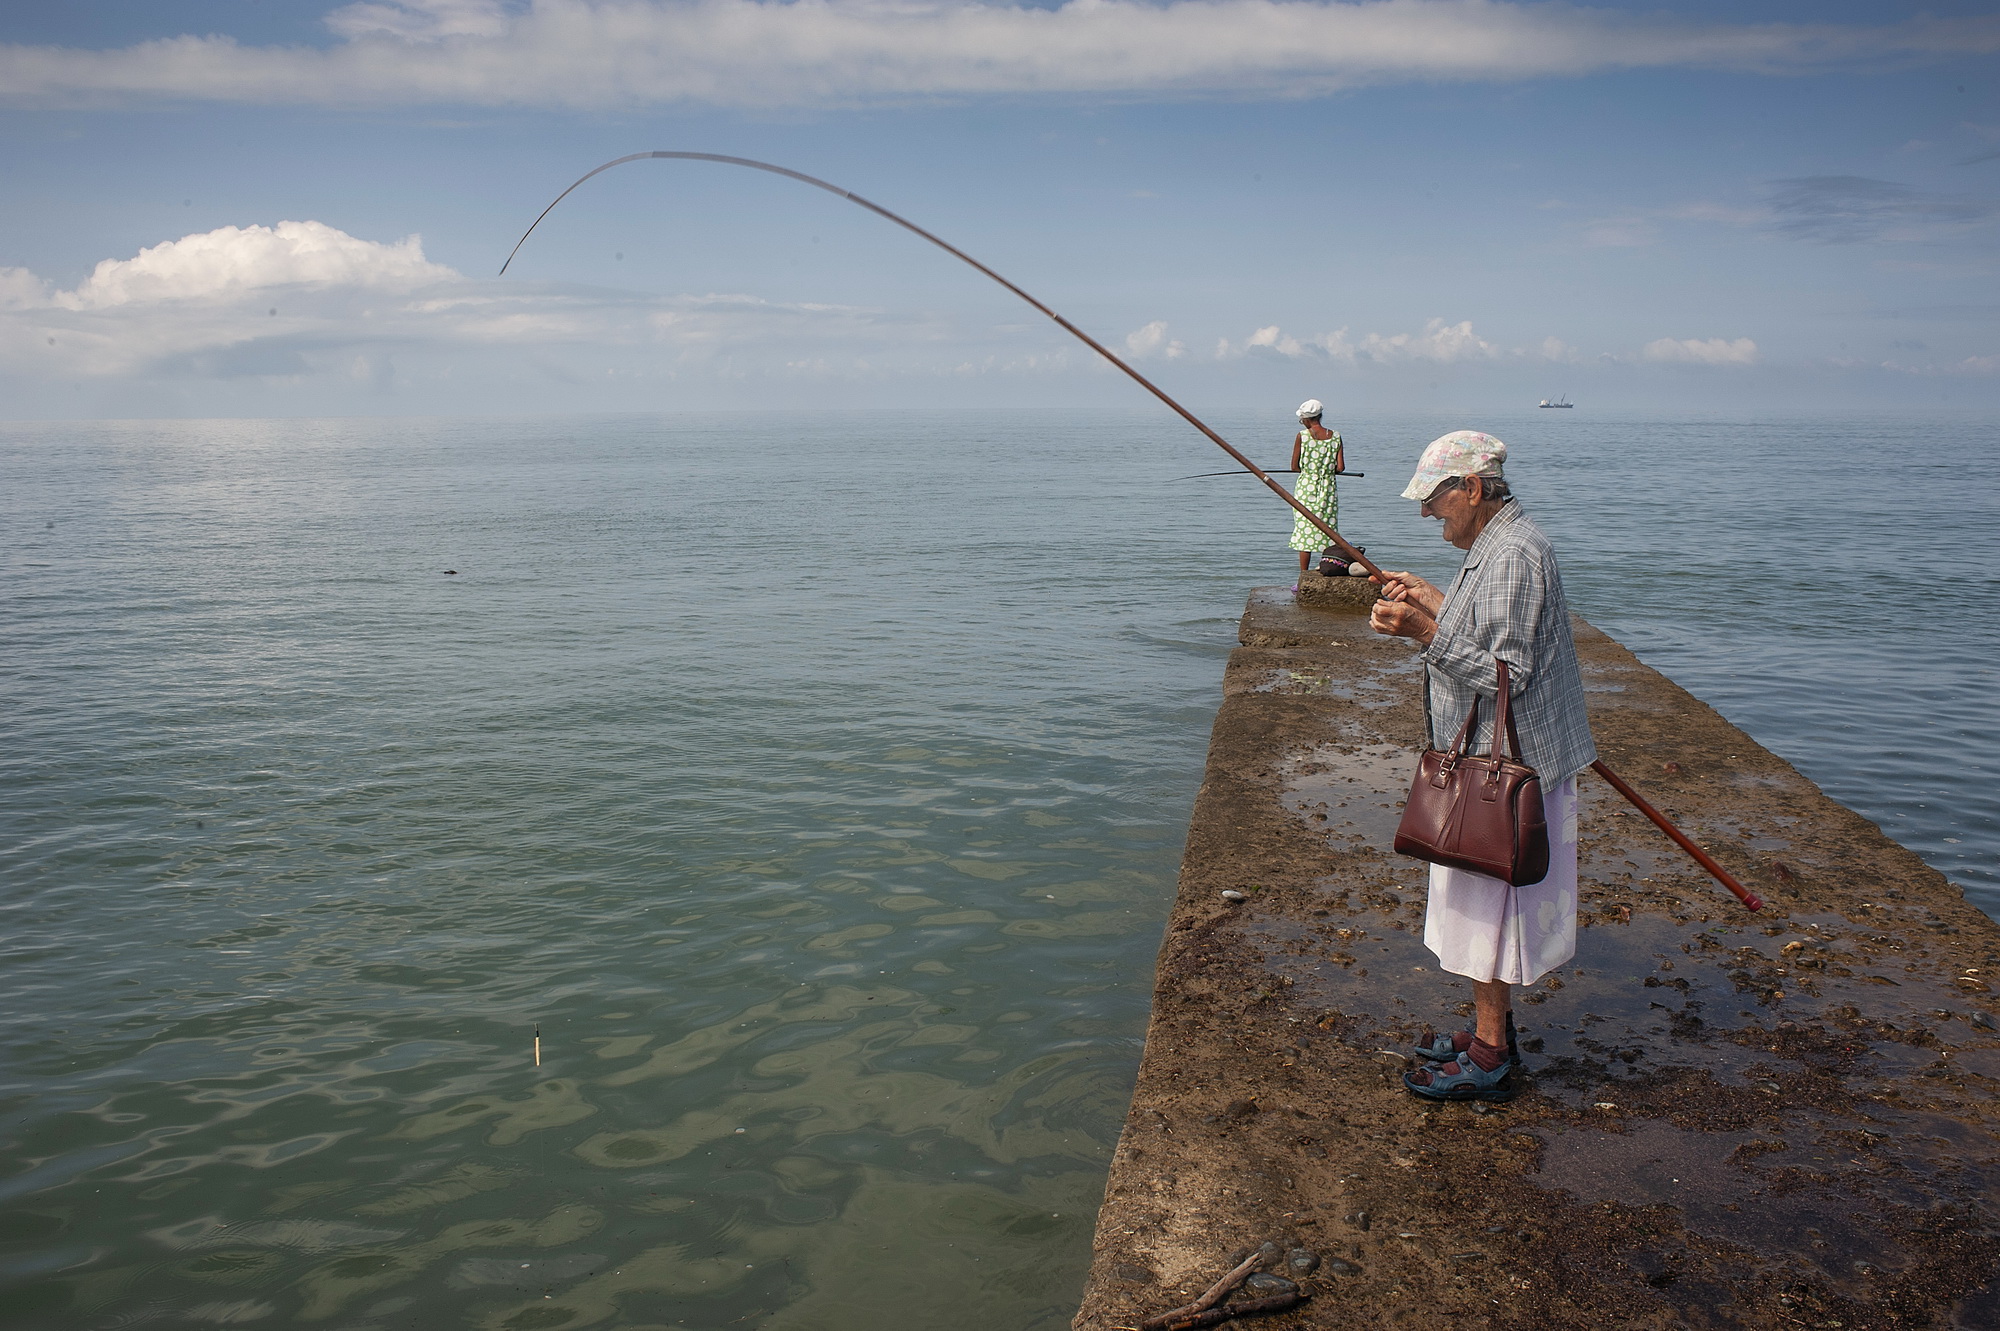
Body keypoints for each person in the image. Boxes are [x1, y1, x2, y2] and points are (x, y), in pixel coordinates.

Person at [1365, 431, 1596, 1103]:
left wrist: (1423, 632)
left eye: (1435, 499)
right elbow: (1490, 632)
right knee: (1479, 903)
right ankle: (1489, 1030)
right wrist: (1436, 599)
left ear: (1470, 489)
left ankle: (1492, 1053)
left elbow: (1508, 674)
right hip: (1497, 765)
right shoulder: (1491, 547)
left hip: (1508, 774)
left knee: (1486, 909)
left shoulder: (1516, 554)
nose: (1426, 513)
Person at [1287, 400, 1345, 590]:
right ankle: (1326, 569)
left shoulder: (1302, 436)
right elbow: (1341, 467)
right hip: (1328, 489)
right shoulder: (1335, 436)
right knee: (1327, 529)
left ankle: (1303, 577)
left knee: (1304, 532)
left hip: (1306, 488)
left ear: (1305, 419)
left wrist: (1309, 469)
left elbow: (1294, 467)